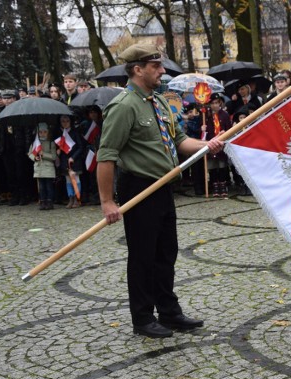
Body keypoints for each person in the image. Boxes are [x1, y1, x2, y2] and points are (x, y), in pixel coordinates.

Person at [96, 43, 224, 339]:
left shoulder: (159, 102)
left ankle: (169, 310)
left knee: (166, 253)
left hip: (163, 187)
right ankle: (142, 316)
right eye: (156, 66)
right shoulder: (123, 106)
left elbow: (179, 141)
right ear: (137, 69)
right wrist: (106, 201)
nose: (162, 70)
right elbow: (107, 156)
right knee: (142, 255)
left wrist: (207, 144)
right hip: (139, 188)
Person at [201, 92, 232, 197]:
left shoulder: (225, 115)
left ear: (220, 103)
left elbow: (229, 129)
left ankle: (223, 185)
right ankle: (214, 185)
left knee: (222, 165)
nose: (215, 105)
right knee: (212, 166)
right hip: (210, 143)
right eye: (213, 103)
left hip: (221, 144)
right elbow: (202, 134)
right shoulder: (206, 115)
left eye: (217, 103)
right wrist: (202, 129)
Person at [56, 114, 85, 208]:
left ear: (70, 122)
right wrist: (58, 150)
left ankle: (77, 199)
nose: (65, 123)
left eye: (67, 121)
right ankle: (71, 198)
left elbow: (81, 147)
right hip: (64, 160)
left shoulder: (75, 133)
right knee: (68, 180)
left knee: (76, 180)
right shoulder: (60, 133)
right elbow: (59, 145)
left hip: (74, 160)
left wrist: (73, 157)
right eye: (63, 121)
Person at [28, 123, 57, 210]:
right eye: (40, 132)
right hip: (39, 167)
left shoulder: (51, 143)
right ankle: (42, 201)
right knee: (41, 186)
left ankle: (49, 202)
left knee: (48, 186)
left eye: (45, 132)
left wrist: (43, 154)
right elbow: (30, 153)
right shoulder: (35, 143)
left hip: (48, 168)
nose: (42, 134)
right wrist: (35, 158)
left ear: (48, 133)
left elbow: (54, 156)